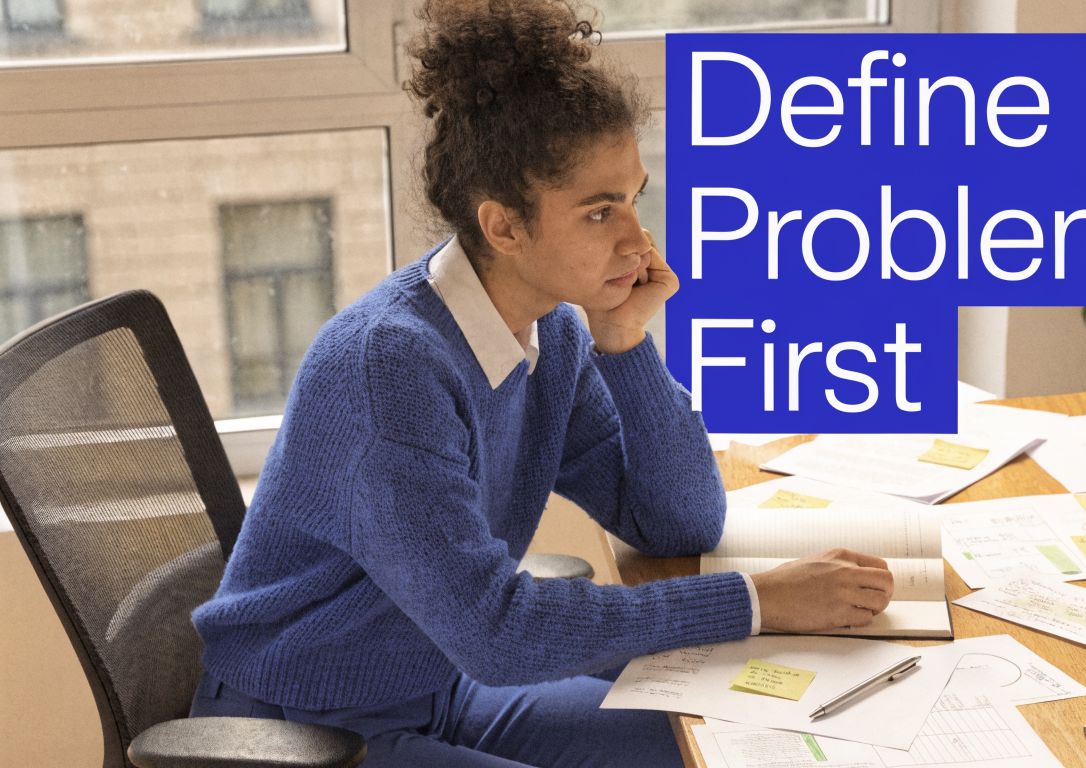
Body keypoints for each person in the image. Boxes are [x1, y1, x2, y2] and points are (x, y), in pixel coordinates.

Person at [189, 1, 896, 765]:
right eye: (599, 213)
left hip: (436, 682)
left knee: (717, 742)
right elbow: (499, 633)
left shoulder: (550, 330)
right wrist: (758, 602)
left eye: (632, 197)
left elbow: (680, 523)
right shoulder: (391, 369)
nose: (638, 239)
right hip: (308, 726)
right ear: (503, 227)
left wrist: (625, 344)